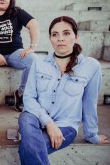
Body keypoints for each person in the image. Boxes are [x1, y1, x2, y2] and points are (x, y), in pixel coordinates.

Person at [18, 16, 109, 165]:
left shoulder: (91, 66)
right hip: (36, 118)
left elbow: (89, 103)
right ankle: (30, 133)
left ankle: (27, 136)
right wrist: (49, 124)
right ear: (50, 38)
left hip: (66, 125)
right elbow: (28, 98)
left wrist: (92, 134)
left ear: (76, 36)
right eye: (55, 34)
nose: (60, 39)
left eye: (66, 33)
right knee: (25, 117)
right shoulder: (39, 63)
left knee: (28, 147)